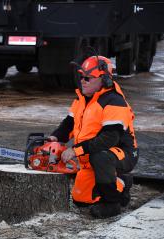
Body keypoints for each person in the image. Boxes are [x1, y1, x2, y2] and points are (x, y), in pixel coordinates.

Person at [49, 55, 138, 218]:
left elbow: (109, 139)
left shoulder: (114, 101)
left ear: (104, 79)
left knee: (101, 157)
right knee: (82, 199)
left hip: (121, 153)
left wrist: (76, 150)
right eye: (82, 77)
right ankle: (121, 182)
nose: (83, 81)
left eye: (88, 78)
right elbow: (69, 123)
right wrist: (55, 138)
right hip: (91, 156)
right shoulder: (82, 99)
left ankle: (112, 203)